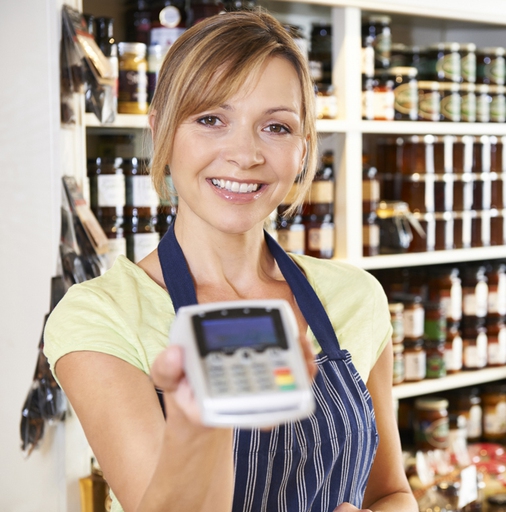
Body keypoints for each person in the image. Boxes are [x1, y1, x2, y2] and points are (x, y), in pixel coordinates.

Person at [44, 10, 417, 512]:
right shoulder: (101, 315)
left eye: (276, 127)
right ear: (161, 132)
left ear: (303, 149)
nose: (245, 154)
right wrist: (201, 420)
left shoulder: (357, 296)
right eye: (210, 119)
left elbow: (391, 493)